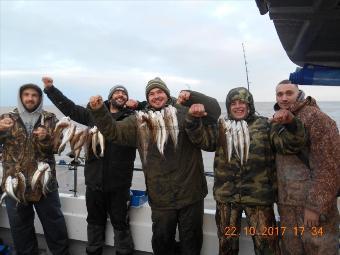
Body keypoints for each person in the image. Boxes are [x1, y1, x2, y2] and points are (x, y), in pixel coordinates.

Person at [87, 77, 220, 255]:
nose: (156, 96)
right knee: (162, 243)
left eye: (159, 92)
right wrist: (99, 110)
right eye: (151, 94)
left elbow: (215, 111)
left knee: (192, 244)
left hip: (191, 194)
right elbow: (113, 132)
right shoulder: (139, 120)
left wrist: (194, 97)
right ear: (147, 98)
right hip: (161, 197)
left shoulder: (183, 111)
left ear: (167, 93)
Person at [184, 87, 306, 255]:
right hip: (227, 199)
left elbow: (291, 145)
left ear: (250, 105)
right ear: (228, 107)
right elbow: (203, 141)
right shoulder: (221, 125)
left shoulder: (266, 125)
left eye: (242, 102)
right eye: (233, 103)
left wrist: (292, 123)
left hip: (259, 200)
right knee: (227, 246)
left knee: (267, 247)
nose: (238, 106)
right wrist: (192, 120)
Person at [42, 77, 135, 255]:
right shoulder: (93, 114)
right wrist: (51, 89)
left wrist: (138, 104)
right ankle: (93, 251)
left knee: (121, 223)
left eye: (124, 93)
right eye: (117, 92)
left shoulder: (132, 119)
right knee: (94, 222)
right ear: (110, 97)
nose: (121, 95)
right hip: (94, 182)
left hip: (120, 185)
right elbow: (69, 108)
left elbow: (152, 112)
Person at [0, 83, 70, 255]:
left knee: (55, 225)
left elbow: (58, 148)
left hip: (44, 184)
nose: (30, 98)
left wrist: (47, 138)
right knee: (20, 230)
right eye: (26, 95)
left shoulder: (50, 118)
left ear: (40, 98)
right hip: (15, 184)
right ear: (20, 97)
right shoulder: (7, 118)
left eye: (34, 95)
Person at [273, 80, 340, 255]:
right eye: (280, 94)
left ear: (299, 94)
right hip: (287, 207)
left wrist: (315, 206)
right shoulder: (278, 122)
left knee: (320, 250)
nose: (284, 98)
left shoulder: (317, 118)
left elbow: (329, 166)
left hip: (312, 209)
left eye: (289, 93)